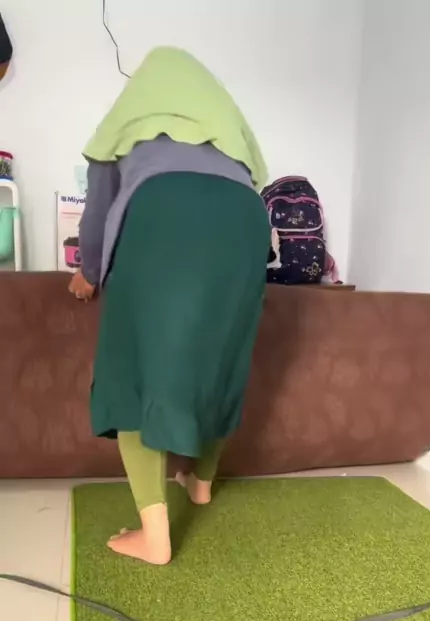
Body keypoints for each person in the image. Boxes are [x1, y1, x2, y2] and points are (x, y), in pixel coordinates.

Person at [69, 47, 270, 566]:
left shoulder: (129, 120)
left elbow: (99, 211)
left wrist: (89, 272)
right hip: (248, 221)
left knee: (135, 370)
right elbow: (251, 184)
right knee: (221, 360)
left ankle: (154, 536)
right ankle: (200, 483)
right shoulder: (229, 132)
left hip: (163, 209)